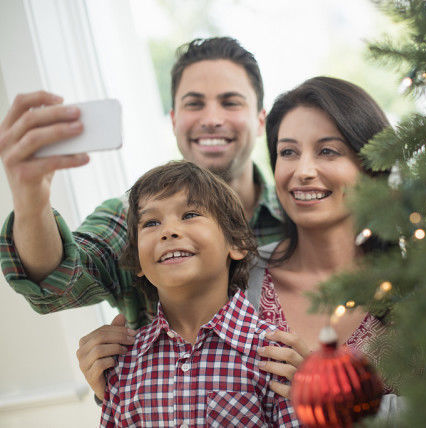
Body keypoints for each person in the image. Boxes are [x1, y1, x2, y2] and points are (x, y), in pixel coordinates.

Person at [0, 38, 282, 399]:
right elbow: (58, 281)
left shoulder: (296, 215)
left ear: (260, 120)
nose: (212, 119)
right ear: (175, 120)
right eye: (195, 103)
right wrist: (30, 199)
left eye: (231, 102)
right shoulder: (129, 217)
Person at [100, 160, 296, 427]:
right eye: (151, 222)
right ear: (137, 262)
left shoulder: (275, 357)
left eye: (190, 215)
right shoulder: (123, 364)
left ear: (236, 242)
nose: (168, 231)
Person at [247, 76, 394, 401]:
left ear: (372, 168)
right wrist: (114, 379)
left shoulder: (418, 290)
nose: (303, 170)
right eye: (288, 152)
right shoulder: (240, 279)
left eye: (327, 151)